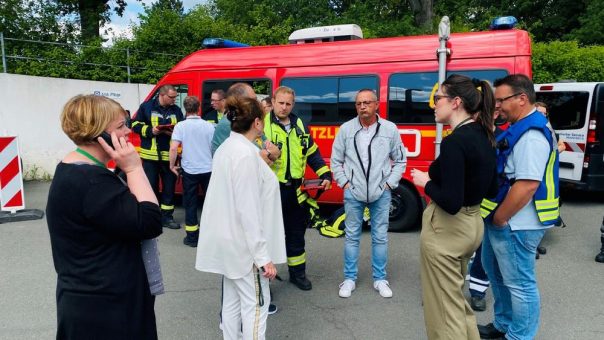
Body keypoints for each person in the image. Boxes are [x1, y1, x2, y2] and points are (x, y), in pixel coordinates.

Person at [46, 95, 163, 339]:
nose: (128, 131)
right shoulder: (92, 181)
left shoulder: (74, 169)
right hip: (106, 310)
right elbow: (150, 221)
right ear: (99, 134)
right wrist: (134, 168)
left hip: (93, 301)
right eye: (121, 126)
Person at [410, 75, 497, 339]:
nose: (433, 104)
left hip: (448, 231)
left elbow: (450, 201)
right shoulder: (485, 134)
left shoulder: (455, 142)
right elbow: (492, 188)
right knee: (456, 303)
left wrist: (426, 182)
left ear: (456, 102)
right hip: (472, 225)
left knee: (443, 313)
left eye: (438, 98)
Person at [195, 95, 286, 340]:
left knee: (233, 303)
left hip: (229, 241)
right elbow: (248, 209)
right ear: (257, 123)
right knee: (257, 305)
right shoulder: (245, 155)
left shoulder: (228, 148)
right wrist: (262, 256)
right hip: (244, 247)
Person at [478, 74, 560, 340]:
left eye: (502, 100)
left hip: (517, 223)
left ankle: (519, 336)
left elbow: (526, 185)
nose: (497, 105)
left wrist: (500, 218)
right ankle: (503, 325)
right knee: (498, 276)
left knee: (520, 285)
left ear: (522, 99)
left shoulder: (532, 133)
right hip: (508, 220)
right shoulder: (522, 126)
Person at [331, 89, 407, 298]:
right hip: (353, 193)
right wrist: (345, 183)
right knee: (352, 237)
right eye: (358, 104)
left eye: (366, 103)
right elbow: (336, 161)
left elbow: (400, 160)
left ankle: (380, 279)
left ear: (377, 105)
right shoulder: (346, 129)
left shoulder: (390, 129)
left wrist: (389, 184)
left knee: (380, 237)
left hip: (381, 193)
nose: (362, 107)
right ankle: (349, 279)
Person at [264, 85, 332, 291]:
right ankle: (264, 284)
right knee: (267, 238)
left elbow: (312, 153)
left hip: (296, 192)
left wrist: (324, 173)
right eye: (280, 103)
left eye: (288, 104)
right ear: (273, 101)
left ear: (293, 104)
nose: (284, 107)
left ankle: (298, 274)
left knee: (296, 234)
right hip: (271, 192)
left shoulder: (299, 124)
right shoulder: (262, 125)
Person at [132, 84, 184, 229]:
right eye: (172, 97)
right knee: (151, 188)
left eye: (175, 97)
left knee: (169, 189)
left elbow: (182, 128)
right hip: (150, 157)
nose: (174, 100)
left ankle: (167, 218)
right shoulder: (146, 107)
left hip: (169, 157)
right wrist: (150, 130)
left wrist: (171, 132)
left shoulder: (176, 110)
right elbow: (134, 124)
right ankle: (153, 217)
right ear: (162, 95)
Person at [468, 107, 505, 312]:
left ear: (496, 114)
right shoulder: (471, 137)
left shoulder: (504, 138)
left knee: (485, 250)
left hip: (494, 204)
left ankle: (477, 292)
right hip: (470, 203)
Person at [169, 96, 214, 247]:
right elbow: (214, 148)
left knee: (191, 204)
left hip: (190, 171)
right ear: (199, 108)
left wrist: (171, 165)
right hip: (208, 169)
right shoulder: (209, 126)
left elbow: (174, 148)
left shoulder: (180, 126)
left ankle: (192, 238)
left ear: (185, 109)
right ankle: (212, 236)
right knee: (211, 204)